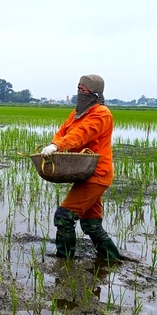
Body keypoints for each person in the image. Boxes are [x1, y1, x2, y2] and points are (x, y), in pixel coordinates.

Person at [41, 74, 121, 261]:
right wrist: (54, 143)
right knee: (91, 223)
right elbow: (64, 131)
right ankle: (111, 259)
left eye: (83, 89)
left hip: (97, 174)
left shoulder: (102, 114)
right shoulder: (77, 113)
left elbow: (82, 134)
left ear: (94, 93)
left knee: (64, 216)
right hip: (84, 173)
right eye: (78, 88)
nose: (79, 92)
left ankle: (64, 263)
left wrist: (58, 147)